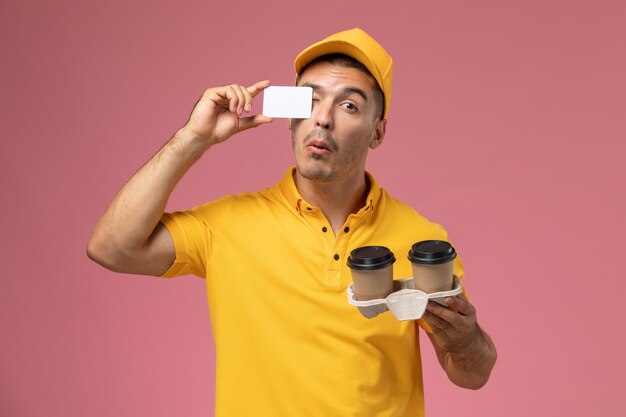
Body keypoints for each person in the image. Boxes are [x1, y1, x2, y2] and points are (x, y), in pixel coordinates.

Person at [87, 28, 497, 417]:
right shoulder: (228, 224)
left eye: (349, 105)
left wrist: (465, 339)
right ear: (290, 115)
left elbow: (472, 374)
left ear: (378, 132)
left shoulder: (422, 239)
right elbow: (111, 248)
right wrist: (192, 138)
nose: (322, 119)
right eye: (310, 100)